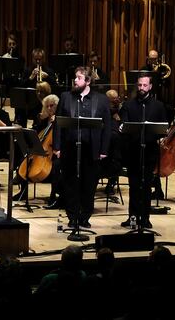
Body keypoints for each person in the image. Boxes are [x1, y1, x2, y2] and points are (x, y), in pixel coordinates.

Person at [52, 67, 112, 229]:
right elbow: (58, 124)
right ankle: (72, 216)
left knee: (89, 184)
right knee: (70, 184)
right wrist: (57, 147)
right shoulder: (66, 97)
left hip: (91, 149)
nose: (75, 81)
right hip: (70, 148)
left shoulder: (101, 99)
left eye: (79, 78)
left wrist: (104, 150)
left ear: (88, 81)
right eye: (75, 77)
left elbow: (107, 127)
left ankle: (85, 216)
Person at [119, 74, 168, 228]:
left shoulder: (158, 106)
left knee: (146, 186)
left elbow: (162, 129)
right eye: (139, 85)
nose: (141, 88)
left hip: (150, 151)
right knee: (133, 185)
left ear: (150, 86)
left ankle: (145, 217)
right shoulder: (128, 105)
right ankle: (132, 217)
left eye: (145, 85)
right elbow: (124, 126)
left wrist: (160, 136)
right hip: (133, 151)